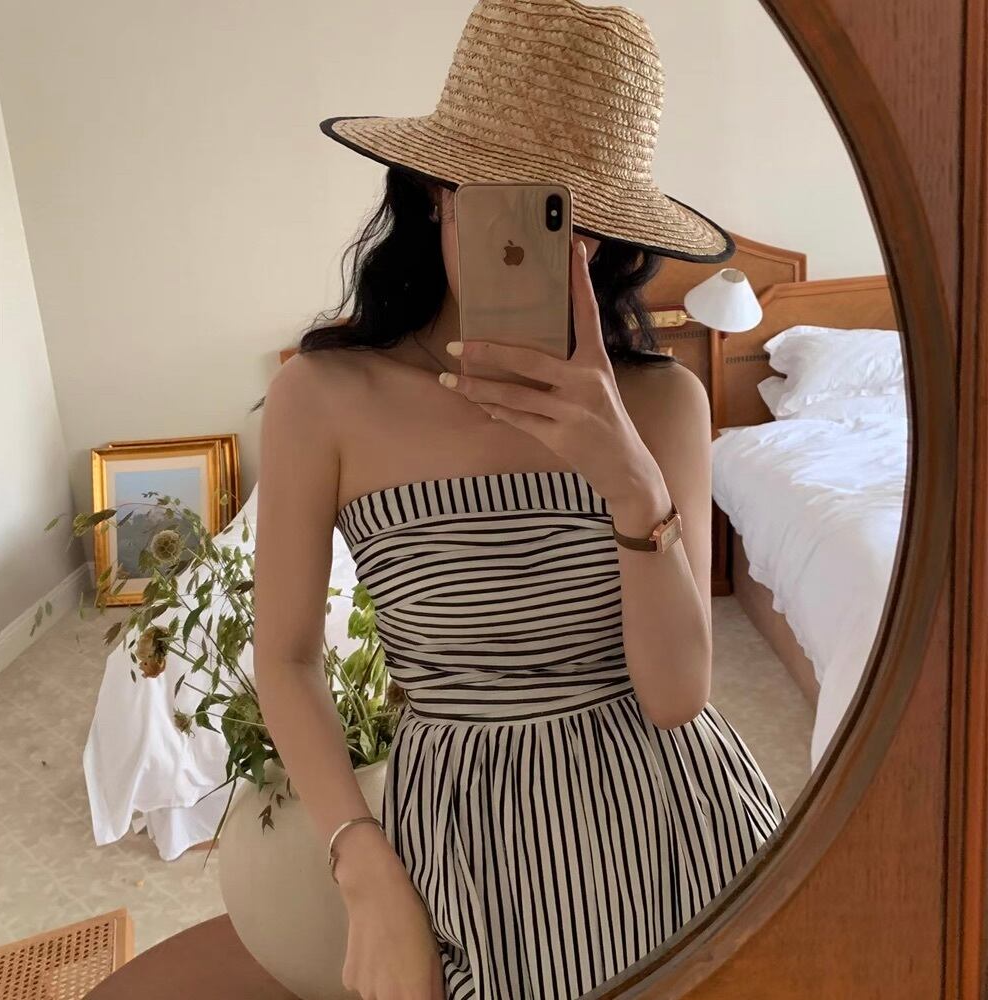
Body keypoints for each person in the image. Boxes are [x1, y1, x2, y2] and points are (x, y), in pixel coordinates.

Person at [253, 1, 785, 998]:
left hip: (678, 820)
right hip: (469, 830)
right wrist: (362, 864)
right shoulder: (322, 397)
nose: (556, 242)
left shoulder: (664, 400)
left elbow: (677, 697)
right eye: (523, 201)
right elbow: (283, 657)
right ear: (436, 193)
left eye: (580, 217)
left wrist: (628, 478)